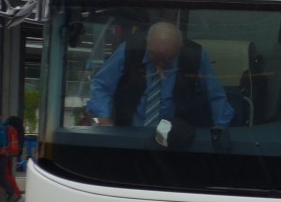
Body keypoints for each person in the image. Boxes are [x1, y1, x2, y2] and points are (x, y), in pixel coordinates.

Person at [86, 21, 235, 128]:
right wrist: (103, 120)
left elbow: (215, 95)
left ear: (179, 48)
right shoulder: (130, 49)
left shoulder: (195, 55)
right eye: (154, 57)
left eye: (167, 59)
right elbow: (102, 85)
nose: (160, 65)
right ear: (147, 43)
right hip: (129, 133)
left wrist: (220, 130)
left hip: (177, 138)